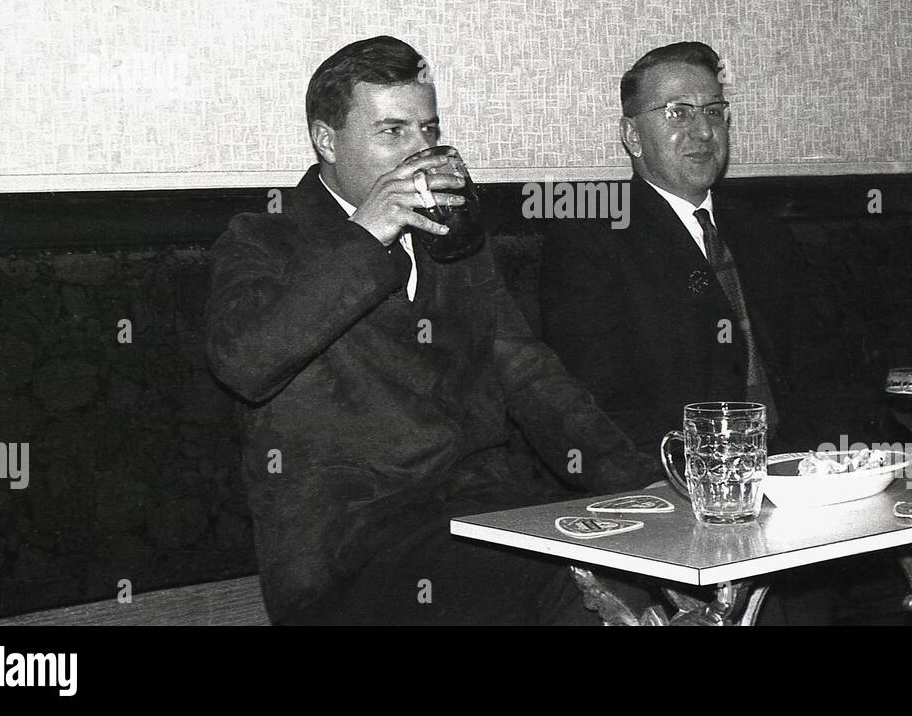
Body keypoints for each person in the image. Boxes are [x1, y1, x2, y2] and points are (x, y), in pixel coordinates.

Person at [205, 35, 659, 625]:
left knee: (646, 567)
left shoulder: (452, 236)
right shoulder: (264, 240)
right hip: (351, 549)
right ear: (327, 141)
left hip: (482, 512)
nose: (420, 151)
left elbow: (529, 373)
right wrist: (367, 236)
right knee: (575, 589)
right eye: (392, 132)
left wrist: (641, 486)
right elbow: (246, 363)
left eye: (428, 129)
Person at [540, 41, 804, 454]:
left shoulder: (763, 230)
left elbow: (819, 368)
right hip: (677, 470)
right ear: (632, 135)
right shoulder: (590, 236)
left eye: (714, 112)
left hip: (798, 465)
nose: (703, 132)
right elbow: (600, 397)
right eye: (677, 112)